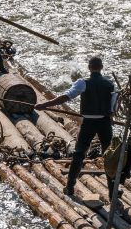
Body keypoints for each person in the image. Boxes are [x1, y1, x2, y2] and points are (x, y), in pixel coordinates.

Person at [35, 57, 118, 198]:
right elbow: (113, 108)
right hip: (105, 124)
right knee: (109, 157)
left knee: (79, 154)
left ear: (89, 67)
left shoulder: (83, 82)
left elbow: (66, 97)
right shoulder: (110, 85)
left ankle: (70, 187)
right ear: (101, 67)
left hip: (88, 123)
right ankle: (112, 192)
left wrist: (44, 105)